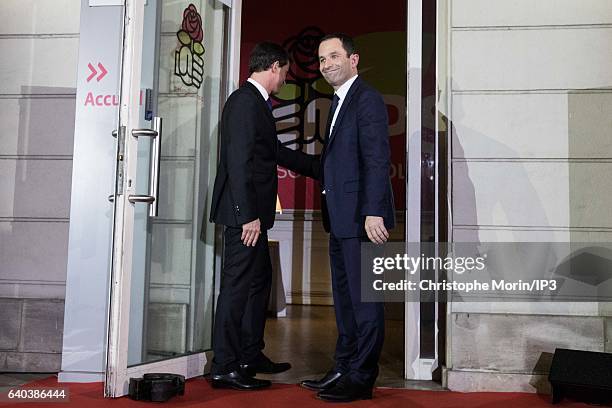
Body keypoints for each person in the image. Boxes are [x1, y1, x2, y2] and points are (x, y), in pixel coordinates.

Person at [209, 42, 319, 390]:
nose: (285, 79)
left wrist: (324, 168)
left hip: (253, 215)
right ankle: (225, 366)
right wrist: (247, 217)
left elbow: (274, 153)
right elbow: (238, 163)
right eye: (285, 73)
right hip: (246, 218)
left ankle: (248, 355)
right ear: (274, 67)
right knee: (237, 288)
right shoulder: (244, 102)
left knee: (259, 282)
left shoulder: (255, 103)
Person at [300, 33, 395, 402]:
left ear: (353, 60)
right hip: (341, 219)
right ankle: (343, 366)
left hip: (362, 221)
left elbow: (375, 159)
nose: (327, 64)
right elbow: (334, 165)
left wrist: (373, 211)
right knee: (344, 302)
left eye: (334, 56)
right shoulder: (338, 101)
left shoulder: (366, 99)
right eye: (322, 59)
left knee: (364, 303)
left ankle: (362, 377)